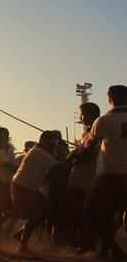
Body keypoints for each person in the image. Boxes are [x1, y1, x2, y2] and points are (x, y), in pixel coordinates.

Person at [80, 85, 127, 261]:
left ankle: (115, 250)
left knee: (89, 213)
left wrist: (81, 155)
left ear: (109, 99)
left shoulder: (103, 121)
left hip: (110, 173)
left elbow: (88, 146)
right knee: (108, 214)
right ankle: (105, 250)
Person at [51, 102, 100, 254]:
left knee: (78, 212)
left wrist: (67, 164)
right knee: (71, 211)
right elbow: (77, 151)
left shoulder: (98, 133)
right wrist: (64, 161)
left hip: (87, 178)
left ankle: (87, 242)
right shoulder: (86, 133)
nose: (81, 118)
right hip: (77, 177)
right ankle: (79, 242)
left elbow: (89, 156)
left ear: (92, 115)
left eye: (83, 114)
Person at [11, 131, 59, 254]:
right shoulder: (39, 153)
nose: (52, 148)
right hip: (24, 186)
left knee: (46, 211)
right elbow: (57, 166)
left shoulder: (38, 150)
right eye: (51, 145)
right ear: (43, 142)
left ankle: (20, 234)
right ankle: (22, 246)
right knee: (37, 215)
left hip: (28, 186)